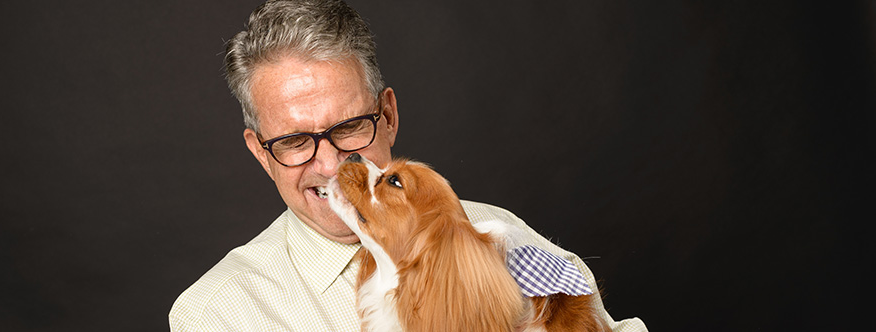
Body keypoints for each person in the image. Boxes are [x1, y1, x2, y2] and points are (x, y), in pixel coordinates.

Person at [169, 1, 647, 331]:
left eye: (351, 126)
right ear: (260, 152)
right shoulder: (216, 314)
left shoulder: (496, 233)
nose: (333, 164)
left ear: (389, 116)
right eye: (295, 141)